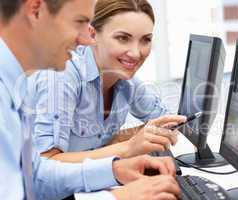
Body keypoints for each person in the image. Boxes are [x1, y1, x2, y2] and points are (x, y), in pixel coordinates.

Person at [0, 0, 182, 200]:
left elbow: (35, 177)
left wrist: (114, 169)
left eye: (146, 39)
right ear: (35, 11)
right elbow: (41, 168)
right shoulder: (54, 76)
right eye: (78, 22)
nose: (87, 40)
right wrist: (118, 195)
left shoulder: (15, 82)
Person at [28, 0, 184, 165]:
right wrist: (129, 147)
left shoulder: (125, 81)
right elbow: (46, 162)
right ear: (93, 35)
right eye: (123, 38)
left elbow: (169, 121)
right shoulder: (62, 75)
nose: (136, 53)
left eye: (145, 40)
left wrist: (140, 135)